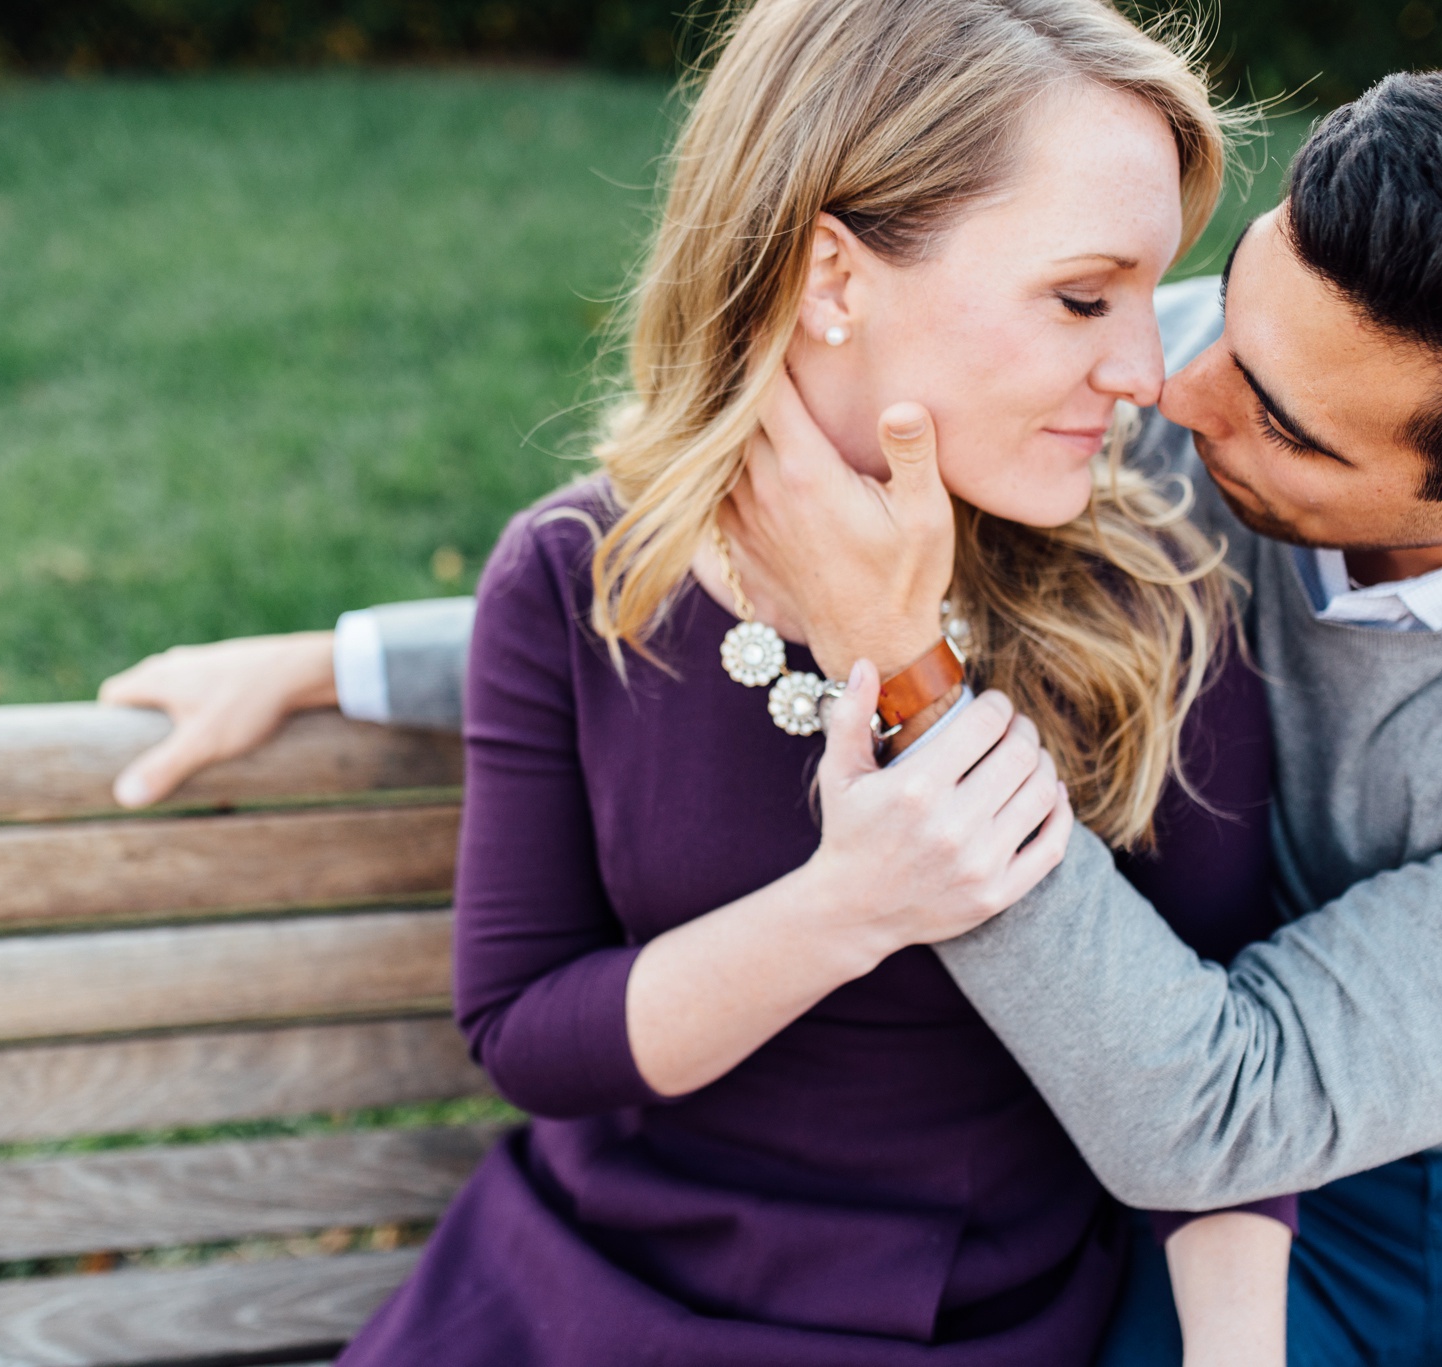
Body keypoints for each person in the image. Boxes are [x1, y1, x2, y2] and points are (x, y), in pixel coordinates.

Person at [103, 1, 1301, 1361]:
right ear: (834, 279)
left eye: (1152, 296)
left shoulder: (1149, 592)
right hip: (582, 1302)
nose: (1144, 371)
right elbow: (526, 1034)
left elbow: (1221, 1072)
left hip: (963, 1326)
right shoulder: (577, 574)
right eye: (1084, 297)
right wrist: (848, 908)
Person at [721, 57, 1442, 1365]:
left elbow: (1227, 1109)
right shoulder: (1139, 389)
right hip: (1218, 1215)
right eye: (1239, 309)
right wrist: (373, 668)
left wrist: (906, 667)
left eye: (1287, 425)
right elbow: (779, 568)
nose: (1175, 392)